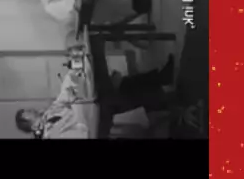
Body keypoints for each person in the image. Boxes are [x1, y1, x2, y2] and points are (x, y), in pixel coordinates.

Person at [15, 54, 174, 139]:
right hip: (94, 127)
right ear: (34, 127)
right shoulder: (53, 135)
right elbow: (82, 132)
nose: (35, 111)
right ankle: (162, 94)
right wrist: (76, 104)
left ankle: (161, 84)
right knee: (109, 97)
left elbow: (62, 98)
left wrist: (71, 74)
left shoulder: (49, 114)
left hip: (91, 110)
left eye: (32, 110)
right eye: (31, 114)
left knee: (114, 88)